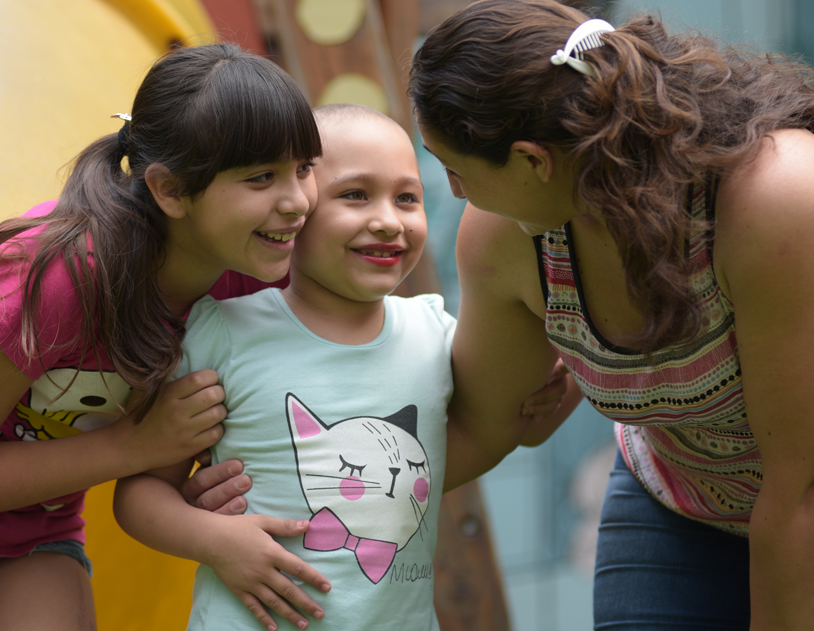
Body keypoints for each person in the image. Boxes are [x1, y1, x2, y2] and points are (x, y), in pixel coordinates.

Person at [407, 0, 814, 630]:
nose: (454, 191)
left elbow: (809, 483)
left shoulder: (777, 199)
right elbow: (484, 425)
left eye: (455, 170)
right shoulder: (506, 236)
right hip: (683, 483)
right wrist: (296, 504)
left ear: (534, 160)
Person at [0, 43, 324, 631]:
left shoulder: (250, 279)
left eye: (305, 169)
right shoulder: (63, 272)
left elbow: (164, 466)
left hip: (28, 514)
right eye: (261, 178)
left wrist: (202, 501)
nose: (297, 201)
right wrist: (132, 446)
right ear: (170, 190)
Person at [112, 104, 567, 631]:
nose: (387, 220)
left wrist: (565, 377)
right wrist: (213, 540)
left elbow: (493, 432)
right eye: (354, 194)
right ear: (295, 210)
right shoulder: (222, 334)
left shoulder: (434, 334)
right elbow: (140, 494)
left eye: (407, 198)